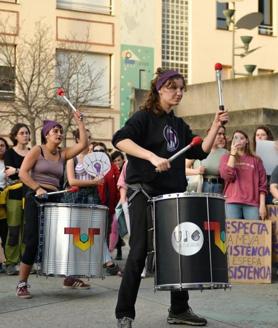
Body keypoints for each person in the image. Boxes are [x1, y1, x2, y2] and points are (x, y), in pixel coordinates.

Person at [112, 67, 228, 327]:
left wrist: (215, 125)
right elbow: (120, 140)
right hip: (144, 191)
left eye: (181, 88)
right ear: (159, 89)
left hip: (171, 195)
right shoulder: (143, 118)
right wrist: (152, 156)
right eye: (173, 87)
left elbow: (201, 151)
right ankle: (124, 313)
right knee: (139, 251)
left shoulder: (177, 124)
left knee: (178, 249)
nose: (178, 92)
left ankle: (179, 309)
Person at [16, 111, 88, 299]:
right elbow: (23, 173)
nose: (59, 133)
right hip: (36, 197)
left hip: (56, 197)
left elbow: (83, 144)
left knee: (62, 239)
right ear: (46, 134)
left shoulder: (63, 154)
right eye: (55, 130)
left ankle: (68, 278)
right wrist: (37, 187)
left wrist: (80, 122)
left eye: (60, 131)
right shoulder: (37, 150)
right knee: (32, 240)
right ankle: (22, 283)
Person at [62, 129, 121, 276]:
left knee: (96, 230)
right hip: (76, 197)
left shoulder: (94, 158)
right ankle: (78, 264)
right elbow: (71, 181)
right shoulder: (72, 158)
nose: (88, 141)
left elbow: (101, 177)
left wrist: (97, 180)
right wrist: (94, 181)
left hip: (92, 195)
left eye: (89, 138)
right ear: (77, 139)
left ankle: (107, 261)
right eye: (85, 138)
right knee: (76, 231)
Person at [219, 130, 267, 220]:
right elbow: (227, 176)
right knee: (232, 233)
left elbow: (262, 185)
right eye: (235, 138)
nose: (238, 140)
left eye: (241, 138)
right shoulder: (226, 157)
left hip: (252, 203)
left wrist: (262, 205)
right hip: (232, 201)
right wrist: (233, 154)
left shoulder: (256, 160)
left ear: (247, 141)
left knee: (254, 233)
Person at [4, 123, 30, 275]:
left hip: (28, 193)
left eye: (27, 133)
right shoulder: (9, 153)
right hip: (14, 195)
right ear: (15, 136)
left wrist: (19, 171)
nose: (25, 135)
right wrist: (23, 173)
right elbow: (10, 174)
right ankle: (11, 262)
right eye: (22, 133)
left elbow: (29, 173)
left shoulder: (33, 151)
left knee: (28, 229)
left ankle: (26, 261)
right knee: (13, 229)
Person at [186, 125, 227, 194]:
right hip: (200, 187)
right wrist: (196, 171)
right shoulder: (198, 149)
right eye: (219, 134)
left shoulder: (225, 152)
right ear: (210, 132)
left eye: (223, 134)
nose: (222, 137)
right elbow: (182, 169)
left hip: (219, 188)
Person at [253, 125, 274, 204]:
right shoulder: (251, 154)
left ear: (268, 137)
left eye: (263, 135)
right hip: (256, 190)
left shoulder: (275, 151)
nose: (260, 137)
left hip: (270, 189)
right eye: (257, 135)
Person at [0, 137, 9, 273]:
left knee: (5, 231)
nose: (0, 147)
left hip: (7, 198)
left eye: (2, 145)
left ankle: (5, 261)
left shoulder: (9, 162)